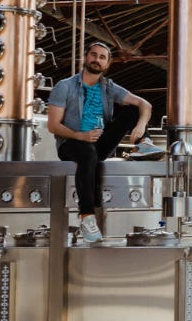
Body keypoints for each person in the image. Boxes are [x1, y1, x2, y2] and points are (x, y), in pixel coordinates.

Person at [46, 41, 162, 242]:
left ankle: (144, 144)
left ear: (107, 64)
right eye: (93, 55)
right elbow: (53, 126)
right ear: (85, 57)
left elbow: (145, 105)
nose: (96, 60)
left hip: (98, 144)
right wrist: (80, 136)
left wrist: (141, 126)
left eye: (102, 57)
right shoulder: (64, 86)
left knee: (133, 110)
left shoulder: (108, 87)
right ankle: (86, 216)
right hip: (71, 144)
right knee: (87, 153)